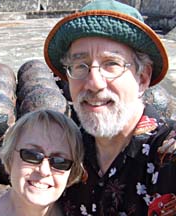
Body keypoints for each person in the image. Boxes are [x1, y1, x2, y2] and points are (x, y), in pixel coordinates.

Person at [44, 0, 176, 215]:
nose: (94, 83)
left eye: (111, 64)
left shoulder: (168, 155)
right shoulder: (65, 152)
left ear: (142, 78)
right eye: (80, 66)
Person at [0, 109, 84, 216]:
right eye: (32, 155)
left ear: (71, 172)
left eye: (60, 162)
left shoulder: (77, 210)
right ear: (10, 157)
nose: (44, 171)